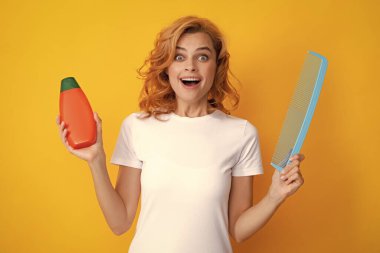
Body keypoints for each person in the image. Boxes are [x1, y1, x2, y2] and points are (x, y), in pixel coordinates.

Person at [56, 16, 305, 253]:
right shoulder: (137, 127)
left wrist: (274, 197)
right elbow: (120, 223)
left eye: (203, 57)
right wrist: (96, 161)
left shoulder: (241, 134)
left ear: (216, 66)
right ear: (167, 67)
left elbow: (237, 229)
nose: (190, 66)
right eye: (179, 56)